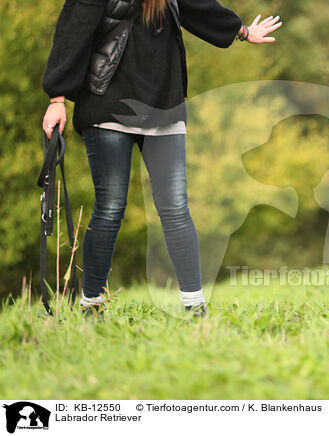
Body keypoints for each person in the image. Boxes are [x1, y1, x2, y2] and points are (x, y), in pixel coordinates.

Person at [41, 0, 282, 316]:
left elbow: (201, 7)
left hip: (164, 105)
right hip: (108, 104)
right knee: (111, 208)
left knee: (176, 207)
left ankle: (194, 305)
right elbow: (72, 32)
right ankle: (92, 305)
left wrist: (243, 30)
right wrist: (57, 98)